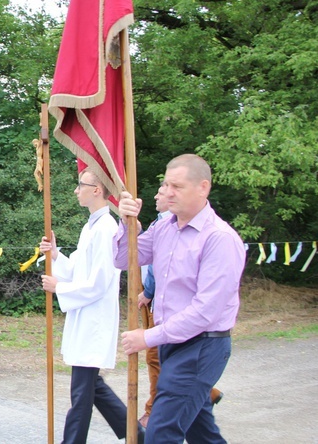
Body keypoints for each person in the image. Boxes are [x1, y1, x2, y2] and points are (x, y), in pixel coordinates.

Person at [114, 154, 245, 443]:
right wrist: (128, 224)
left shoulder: (219, 239)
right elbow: (125, 258)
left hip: (202, 346)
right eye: (166, 184)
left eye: (177, 186)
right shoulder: (164, 227)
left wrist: (147, 337)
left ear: (203, 188)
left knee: (161, 432)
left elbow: (205, 312)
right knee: (202, 433)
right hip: (172, 345)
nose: (168, 192)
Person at [39, 168, 145, 444]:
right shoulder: (91, 227)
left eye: (81, 185)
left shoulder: (107, 228)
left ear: (97, 190)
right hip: (84, 315)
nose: (77, 190)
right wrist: (56, 254)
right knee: (92, 387)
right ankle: (140, 436)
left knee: (81, 392)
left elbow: (99, 282)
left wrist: (59, 288)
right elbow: (78, 270)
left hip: (95, 317)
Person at [136, 184, 223, 428]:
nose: (157, 196)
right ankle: (206, 395)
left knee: (156, 359)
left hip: (170, 311)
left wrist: (148, 292)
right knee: (200, 427)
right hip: (165, 307)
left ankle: (154, 410)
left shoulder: (171, 224)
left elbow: (157, 267)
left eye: (162, 192)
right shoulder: (160, 223)